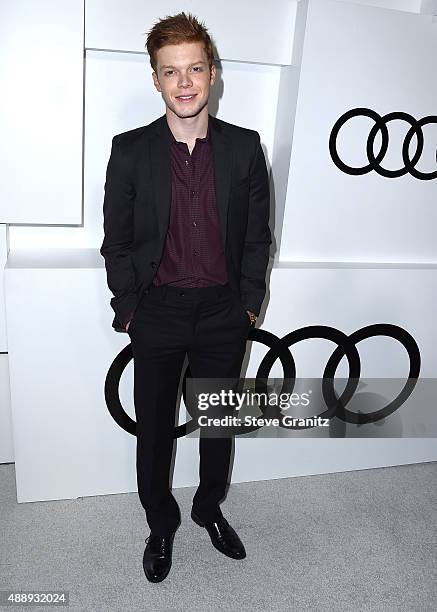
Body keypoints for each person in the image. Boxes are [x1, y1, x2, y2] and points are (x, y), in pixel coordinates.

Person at [100, 12, 271, 582]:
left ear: (213, 73)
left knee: (217, 421)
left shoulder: (245, 149)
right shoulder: (129, 151)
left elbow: (256, 237)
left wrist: (248, 305)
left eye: (195, 68)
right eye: (170, 71)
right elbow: (117, 242)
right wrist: (131, 310)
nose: (184, 82)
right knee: (154, 427)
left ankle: (207, 507)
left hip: (224, 311)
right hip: (158, 313)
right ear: (155, 79)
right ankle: (160, 521)